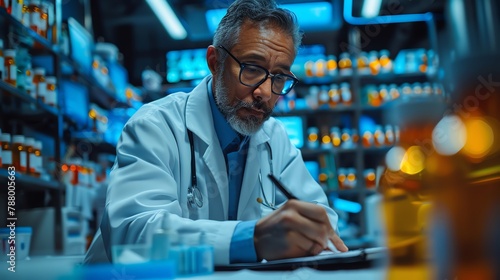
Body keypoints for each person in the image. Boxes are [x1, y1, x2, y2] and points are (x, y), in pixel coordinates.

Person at [84, 0, 348, 265]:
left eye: (279, 77)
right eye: (252, 68)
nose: (265, 93)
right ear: (215, 61)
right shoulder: (155, 126)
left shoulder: (275, 139)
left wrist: (308, 233)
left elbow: (321, 220)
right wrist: (252, 239)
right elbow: (133, 233)